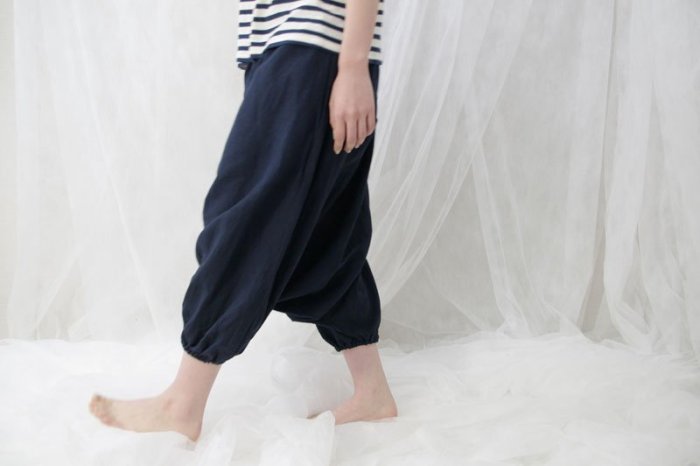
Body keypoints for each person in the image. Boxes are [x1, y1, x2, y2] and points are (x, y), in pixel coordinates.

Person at [88, 0, 397, 442]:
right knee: (326, 233)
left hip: (313, 52)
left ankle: (183, 402)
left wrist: (352, 65)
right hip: (299, 52)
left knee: (245, 220)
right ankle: (372, 391)